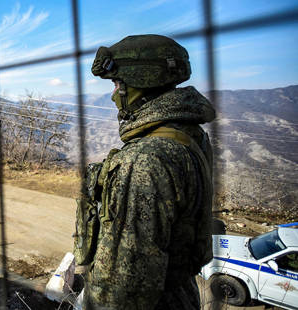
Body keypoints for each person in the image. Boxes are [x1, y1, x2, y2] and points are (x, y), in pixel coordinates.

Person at [76, 34, 215, 309]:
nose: (114, 94)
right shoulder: (189, 136)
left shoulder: (144, 160)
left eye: (117, 84)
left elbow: (122, 291)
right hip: (180, 296)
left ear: (140, 84)